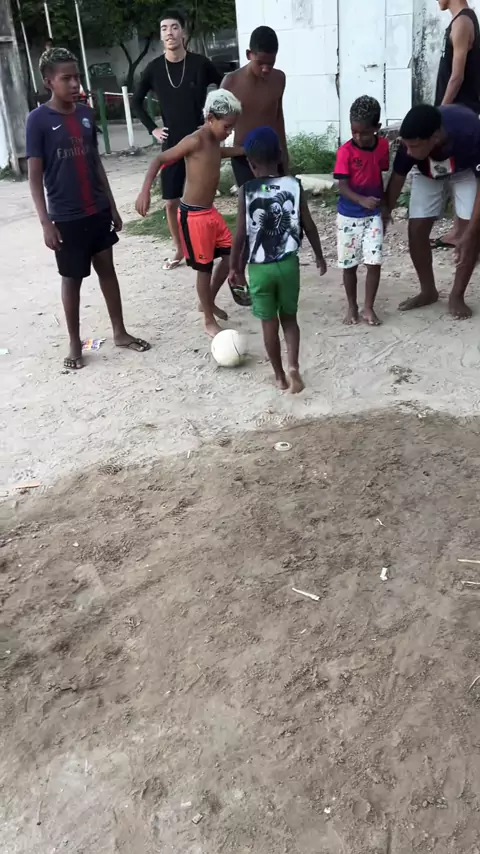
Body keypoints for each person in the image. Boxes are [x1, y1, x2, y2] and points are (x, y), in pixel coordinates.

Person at [26, 48, 150, 370]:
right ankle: (74, 341)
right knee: (72, 279)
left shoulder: (85, 114)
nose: (74, 84)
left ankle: (120, 332)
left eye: (77, 77)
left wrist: (111, 206)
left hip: (97, 210)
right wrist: (46, 223)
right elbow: (34, 177)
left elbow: (95, 163)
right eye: (66, 78)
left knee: (107, 269)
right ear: (48, 82)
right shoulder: (38, 121)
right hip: (66, 217)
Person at [135, 90, 243, 337]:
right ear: (210, 118)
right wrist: (145, 191)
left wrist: (242, 150)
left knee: (230, 257)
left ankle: (208, 301)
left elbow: (217, 154)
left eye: (232, 128)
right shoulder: (194, 140)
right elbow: (159, 159)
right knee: (204, 269)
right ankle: (208, 319)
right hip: (193, 216)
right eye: (227, 127)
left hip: (210, 212)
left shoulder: (215, 141)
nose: (229, 132)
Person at [229, 127, 327, 394]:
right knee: (290, 319)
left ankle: (280, 376)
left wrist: (234, 268)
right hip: (288, 265)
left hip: (259, 270)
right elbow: (308, 224)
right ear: (280, 155)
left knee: (268, 324)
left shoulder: (247, 190)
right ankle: (293, 366)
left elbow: (240, 234)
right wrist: (319, 256)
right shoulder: (294, 185)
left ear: (250, 163)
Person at [132, 9, 223, 270]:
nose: (169, 33)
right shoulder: (154, 68)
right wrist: (153, 129)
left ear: (183, 32)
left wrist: (213, 119)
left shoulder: (200, 63)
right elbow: (136, 101)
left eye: (174, 27)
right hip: (172, 143)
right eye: (164, 29)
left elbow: (225, 85)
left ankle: (206, 244)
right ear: (161, 36)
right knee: (171, 202)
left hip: (199, 141)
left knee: (202, 198)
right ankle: (179, 248)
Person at [386, 103, 480, 319]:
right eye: (406, 146)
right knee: (416, 229)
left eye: (414, 146)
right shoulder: (411, 141)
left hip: (465, 169)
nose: (408, 152)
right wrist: (384, 214)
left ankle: (457, 295)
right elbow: (397, 179)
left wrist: (469, 234)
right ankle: (428, 291)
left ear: (435, 137)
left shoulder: (471, 132)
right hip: (427, 169)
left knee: (472, 233)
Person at [334, 96, 390, 326]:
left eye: (364, 133)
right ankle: (352, 306)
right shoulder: (345, 152)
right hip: (348, 216)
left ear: (377, 128)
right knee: (349, 265)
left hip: (373, 215)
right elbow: (342, 186)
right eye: (354, 132)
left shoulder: (383, 147)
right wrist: (361, 200)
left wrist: (384, 208)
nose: (358, 137)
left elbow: (381, 175)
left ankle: (368, 307)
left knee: (374, 262)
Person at [433, 0, 480, 249]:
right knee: (455, 170)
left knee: (462, 172)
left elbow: (457, 76)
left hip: (459, 111)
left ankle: (465, 233)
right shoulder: (460, 21)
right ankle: (458, 230)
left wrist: (440, 112)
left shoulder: (462, 22)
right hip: (457, 109)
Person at [221, 26, 287, 189]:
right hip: (244, 157)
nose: (266, 68)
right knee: (250, 200)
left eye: (270, 63)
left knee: (275, 198)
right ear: (249, 54)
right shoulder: (231, 82)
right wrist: (237, 151)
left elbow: (278, 118)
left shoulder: (279, 78)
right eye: (260, 63)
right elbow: (214, 128)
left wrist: (284, 158)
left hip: (271, 156)